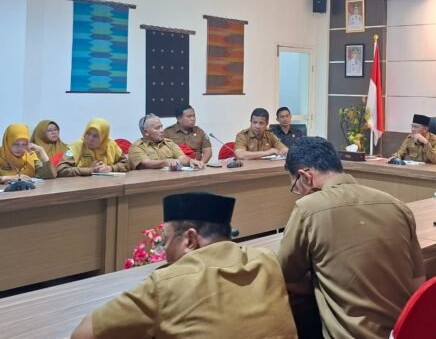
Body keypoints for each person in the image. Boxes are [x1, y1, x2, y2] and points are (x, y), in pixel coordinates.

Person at [71, 192, 297, 339]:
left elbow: (83, 334)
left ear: (190, 240)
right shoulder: (266, 259)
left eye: (166, 240)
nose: (164, 250)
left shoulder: (167, 283)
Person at [278, 137, 425, 339]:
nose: (299, 193)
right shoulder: (397, 205)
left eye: (296, 187)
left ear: (305, 176)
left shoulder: (308, 209)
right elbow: (418, 283)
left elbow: (284, 276)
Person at [57, 118, 130, 176]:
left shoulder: (111, 145)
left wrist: (110, 168)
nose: (90, 139)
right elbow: (61, 169)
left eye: (95, 136)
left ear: (103, 137)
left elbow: (126, 164)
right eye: (88, 134)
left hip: (108, 185)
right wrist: (90, 170)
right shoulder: (75, 147)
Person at [129, 114, 203, 170]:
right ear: (146, 132)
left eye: (161, 127)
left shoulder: (169, 143)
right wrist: (167, 162)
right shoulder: (137, 147)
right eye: (157, 128)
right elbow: (146, 163)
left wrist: (189, 161)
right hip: (148, 181)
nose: (162, 130)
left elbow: (182, 157)